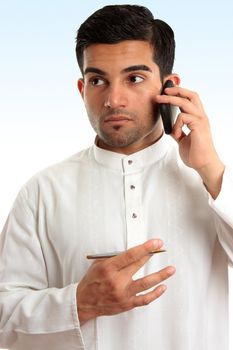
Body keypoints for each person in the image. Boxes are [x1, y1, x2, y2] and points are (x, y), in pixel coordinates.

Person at [0, 4, 233, 350]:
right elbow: (4, 318)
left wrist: (211, 169)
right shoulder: (42, 192)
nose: (113, 99)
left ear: (170, 86)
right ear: (81, 89)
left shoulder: (211, 184)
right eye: (97, 81)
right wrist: (79, 302)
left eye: (134, 78)